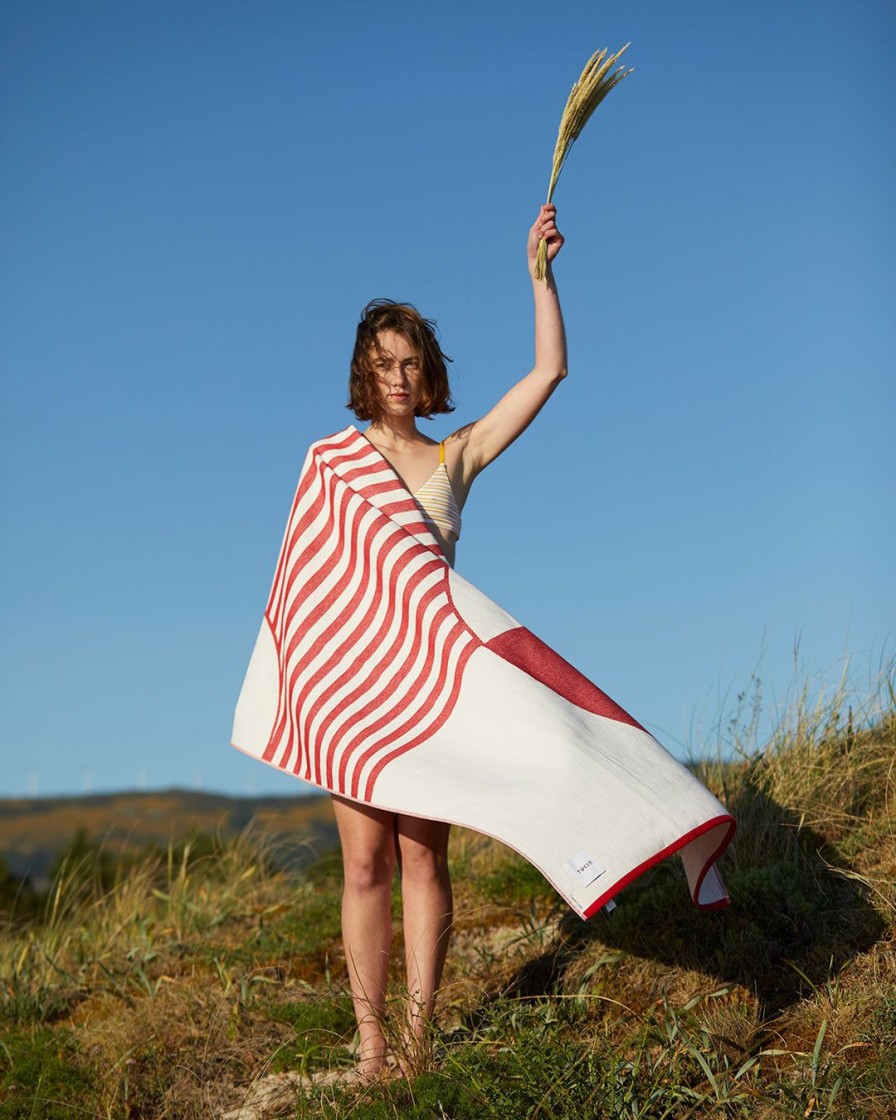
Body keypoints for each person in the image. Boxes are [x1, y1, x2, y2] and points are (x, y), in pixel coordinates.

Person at [332, 203, 567, 1079]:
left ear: (427, 371)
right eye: (381, 364)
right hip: (351, 687)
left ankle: (423, 1043)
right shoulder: (335, 464)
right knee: (362, 865)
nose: (397, 376)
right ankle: (371, 1045)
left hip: (424, 684)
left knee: (422, 858)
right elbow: (308, 590)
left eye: (409, 362)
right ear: (364, 373)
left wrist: (540, 278)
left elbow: (548, 371)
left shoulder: (454, 457)